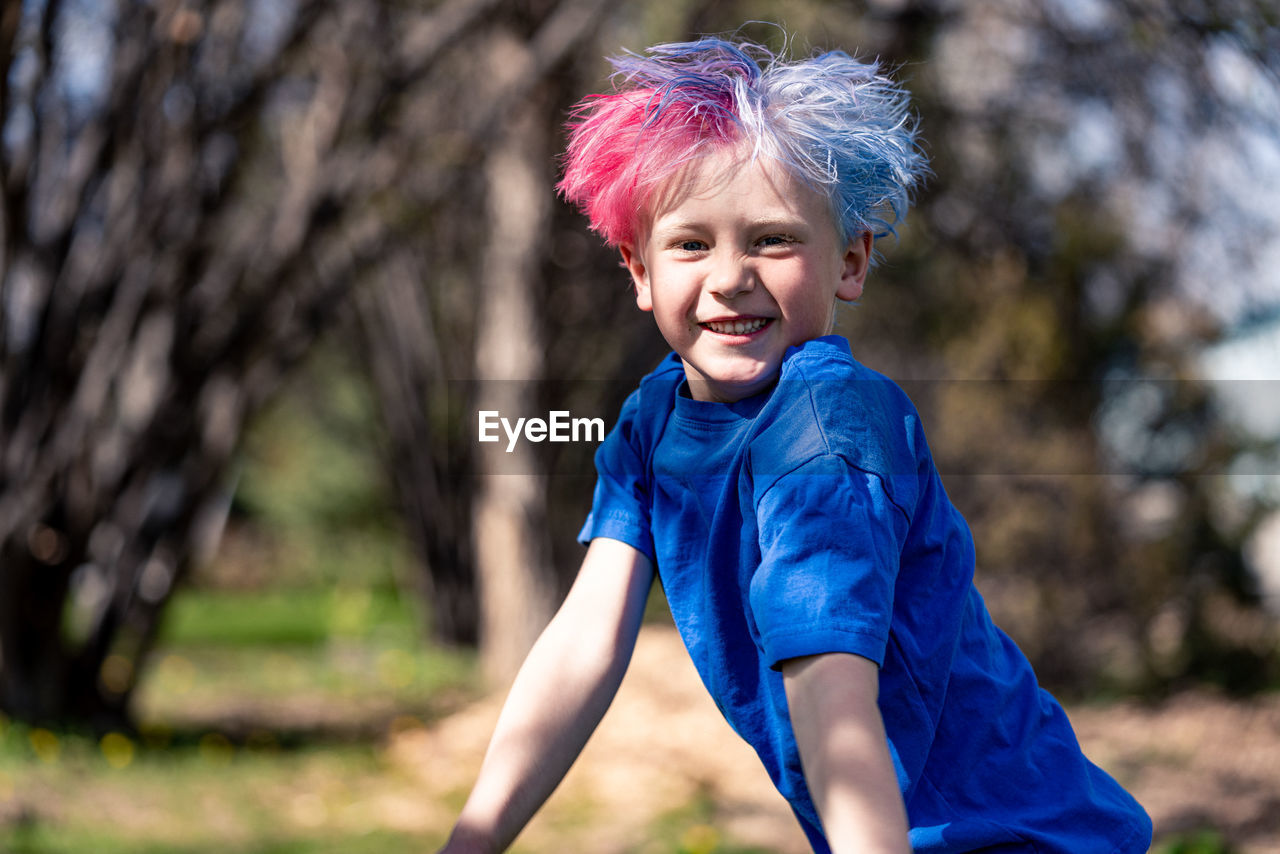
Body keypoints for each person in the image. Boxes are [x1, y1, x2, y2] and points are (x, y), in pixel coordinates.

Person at [438, 33, 1153, 854]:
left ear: (850, 262)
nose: (730, 275)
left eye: (773, 239)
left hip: (1015, 837)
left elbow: (831, 686)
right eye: (691, 243)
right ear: (638, 271)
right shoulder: (652, 423)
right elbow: (583, 644)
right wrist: (472, 840)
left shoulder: (826, 429)